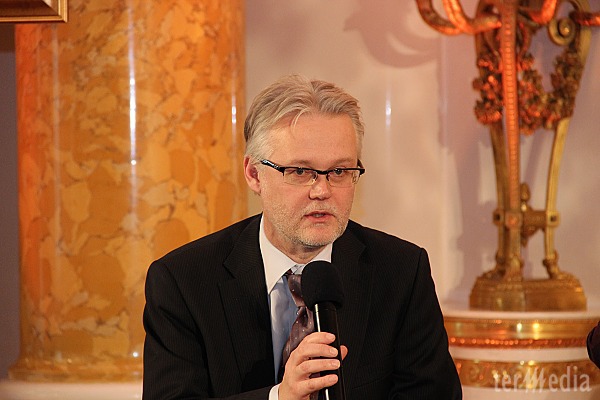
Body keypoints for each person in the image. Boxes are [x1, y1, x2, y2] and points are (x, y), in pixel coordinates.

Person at [142, 74, 462, 400]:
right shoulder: (183, 282)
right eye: (299, 171)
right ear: (254, 174)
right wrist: (279, 398)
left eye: (339, 171)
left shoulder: (401, 272)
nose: (322, 190)